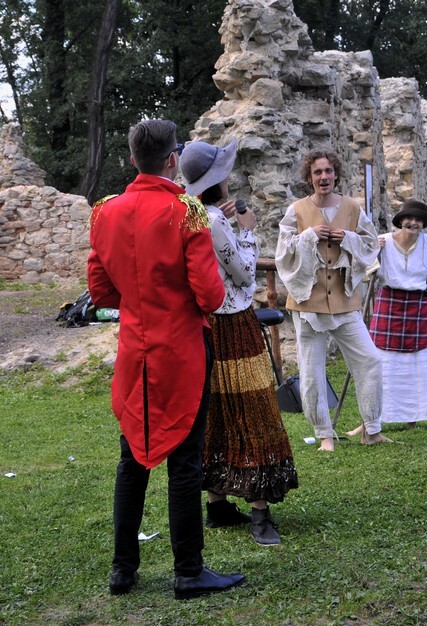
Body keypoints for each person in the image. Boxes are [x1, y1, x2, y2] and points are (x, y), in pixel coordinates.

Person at [87, 119, 245, 600]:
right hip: (181, 350)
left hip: (135, 350)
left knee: (131, 460)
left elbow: (99, 290)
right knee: (185, 461)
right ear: (172, 159)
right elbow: (212, 295)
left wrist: (137, 300)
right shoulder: (189, 212)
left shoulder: (105, 213)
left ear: (134, 159)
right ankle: (189, 571)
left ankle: (123, 568)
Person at [179, 139, 299, 546]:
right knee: (253, 410)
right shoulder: (216, 222)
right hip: (234, 325)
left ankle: (216, 503)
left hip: (206, 326)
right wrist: (247, 232)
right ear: (221, 179)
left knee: (217, 411)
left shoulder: (192, 214)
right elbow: (245, 275)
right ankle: (260, 512)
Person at [274, 149, 390, 452]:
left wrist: (347, 239)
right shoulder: (296, 210)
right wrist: (309, 235)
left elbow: (369, 244)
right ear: (309, 177)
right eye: (317, 173)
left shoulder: (352, 208)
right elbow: (283, 252)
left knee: (370, 361)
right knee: (312, 372)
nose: (323, 177)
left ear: (335, 174)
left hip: (344, 301)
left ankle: (372, 429)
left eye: (328, 171)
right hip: (307, 304)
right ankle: (324, 434)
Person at [350, 199, 427, 431]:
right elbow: (362, 266)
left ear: (423, 224)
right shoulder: (382, 242)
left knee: (418, 367)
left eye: (418, 220)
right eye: (408, 218)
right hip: (389, 305)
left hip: (419, 306)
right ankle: (369, 422)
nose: (412, 223)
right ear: (400, 221)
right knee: (381, 365)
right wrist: (374, 253)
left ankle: (413, 419)